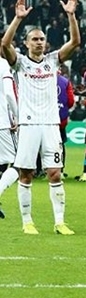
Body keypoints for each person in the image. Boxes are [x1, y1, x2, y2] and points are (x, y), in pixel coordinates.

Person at [1, 0, 80, 235]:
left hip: (50, 125)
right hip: (28, 124)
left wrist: (71, 15)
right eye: (34, 39)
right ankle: (27, 222)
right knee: (26, 173)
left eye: (42, 39)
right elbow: (4, 45)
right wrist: (17, 18)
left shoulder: (53, 61)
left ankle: (59, 222)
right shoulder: (21, 62)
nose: (39, 42)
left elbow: (75, 42)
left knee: (55, 173)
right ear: (26, 43)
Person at [0, 57, 20, 219]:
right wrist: (17, 116)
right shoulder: (3, 64)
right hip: (2, 122)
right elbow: (9, 93)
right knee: (18, 163)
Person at [57, 68, 75, 179]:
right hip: (61, 119)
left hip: (44, 119)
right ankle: (61, 170)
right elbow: (71, 101)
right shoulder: (65, 81)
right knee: (60, 144)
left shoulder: (41, 78)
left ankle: (39, 169)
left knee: (41, 145)